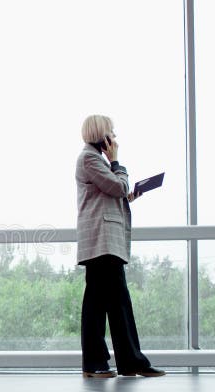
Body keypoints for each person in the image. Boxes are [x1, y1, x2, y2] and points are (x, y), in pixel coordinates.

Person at [75, 115, 165, 378]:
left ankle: (105, 363)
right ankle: (126, 362)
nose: (114, 138)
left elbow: (114, 192)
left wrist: (128, 195)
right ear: (102, 135)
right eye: (111, 132)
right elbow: (116, 185)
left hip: (102, 241)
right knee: (114, 302)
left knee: (104, 303)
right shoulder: (90, 158)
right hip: (102, 241)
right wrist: (116, 162)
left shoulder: (93, 159)